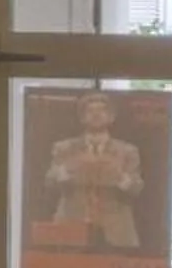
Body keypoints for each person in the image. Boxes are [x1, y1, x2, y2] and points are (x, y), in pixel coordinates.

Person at [46, 93, 145, 251]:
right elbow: (50, 182)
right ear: (82, 118)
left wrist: (118, 176)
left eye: (101, 110)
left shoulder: (127, 151)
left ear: (111, 117)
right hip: (71, 226)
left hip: (116, 231)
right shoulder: (64, 148)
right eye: (90, 111)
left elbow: (136, 189)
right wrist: (69, 169)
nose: (96, 115)